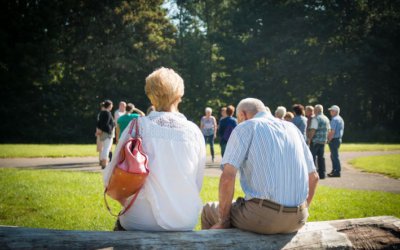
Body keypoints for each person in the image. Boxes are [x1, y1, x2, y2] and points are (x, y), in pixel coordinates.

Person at [103, 67, 206, 231]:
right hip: (185, 221)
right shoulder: (194, 132)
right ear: (180, 95)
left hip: (140, 220)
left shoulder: (137, 127)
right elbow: (197, 183)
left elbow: (110, 177)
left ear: (151, 96)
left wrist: (130, 204)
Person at [201, 98, 319, 234]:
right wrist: (302, 210)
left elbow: (227, 177)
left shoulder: (246, 127)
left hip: (263, 217)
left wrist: (224, 221)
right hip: (299, 217)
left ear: (242, 115)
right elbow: (314, 177)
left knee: (208, 210)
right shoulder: (293, 129)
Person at [308, 104, 331, 179]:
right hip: (323, 141)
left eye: (314, 110)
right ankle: (322, 174)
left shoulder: (316, 118)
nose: (313, 111)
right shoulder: (326, 118)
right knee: (321, 158)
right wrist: (327, 139)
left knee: (312, 158)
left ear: (317, 110)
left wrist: (309, 139)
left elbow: (313, 130)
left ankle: (313, 175)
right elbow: (328, 130)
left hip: (315, 141)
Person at [96, 100, 115, 169]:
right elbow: (106, 124)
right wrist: (109, 131)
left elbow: (99, 123)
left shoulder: (101, 113)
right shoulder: (108, 113)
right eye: (111, 105)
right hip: (107, 133)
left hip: (103, 133)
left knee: (104, 147)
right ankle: (104, 163)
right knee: (106, 148)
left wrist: (99, 129)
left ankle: (102, 161)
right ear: (109, 106)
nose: (112, 106)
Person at [327, 105, 344, 177]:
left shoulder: (334, 119)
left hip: (334, 139)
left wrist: (328, 140)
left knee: (334, 156)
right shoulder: (340, 119)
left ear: (335, 111)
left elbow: (332, 131)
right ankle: (334, 170)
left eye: (331, 110)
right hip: (338, 139)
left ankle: (336, 171)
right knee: (333, 155)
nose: (330, 112)